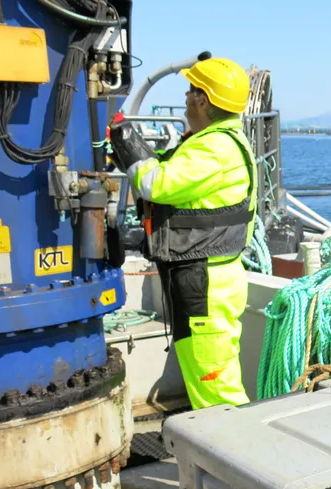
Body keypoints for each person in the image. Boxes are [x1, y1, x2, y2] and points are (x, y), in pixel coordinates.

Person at [108, 57, 256, 410]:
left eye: (191, 92)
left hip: (205, 284)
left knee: (218, 394)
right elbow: (167, 169)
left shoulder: (213, 149)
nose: (187, 99)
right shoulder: (215, 142)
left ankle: (233, 459)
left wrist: (120, 134)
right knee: (207, 384)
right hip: (204, 279)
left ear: (202, 100)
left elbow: (153, 182)